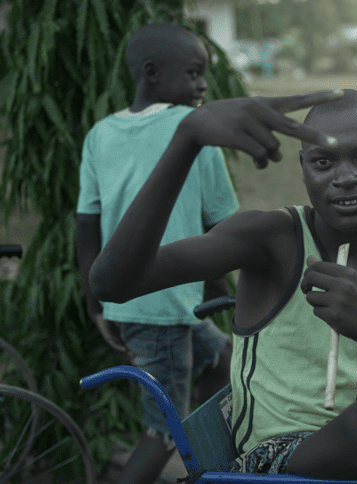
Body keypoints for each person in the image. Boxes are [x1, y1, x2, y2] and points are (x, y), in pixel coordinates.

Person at [89, 88, 357, 484]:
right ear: (303, 169)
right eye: (323, 161)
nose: (346, 176)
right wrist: (186, 141)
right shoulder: (272, 241)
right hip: (277, 455)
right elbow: (113, 283)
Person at [75, 23, 238, 484]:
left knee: (221, 360)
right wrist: (230, 288)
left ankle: (209, 466)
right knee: (162, 432)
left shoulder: (100, 134)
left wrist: (95, 299)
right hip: (166, 307)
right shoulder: (195, 130)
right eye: (193, 73)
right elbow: (224, 225)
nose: (203, 85)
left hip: (138, 300)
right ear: (151, 74)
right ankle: (188, 465)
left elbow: (86, 225)